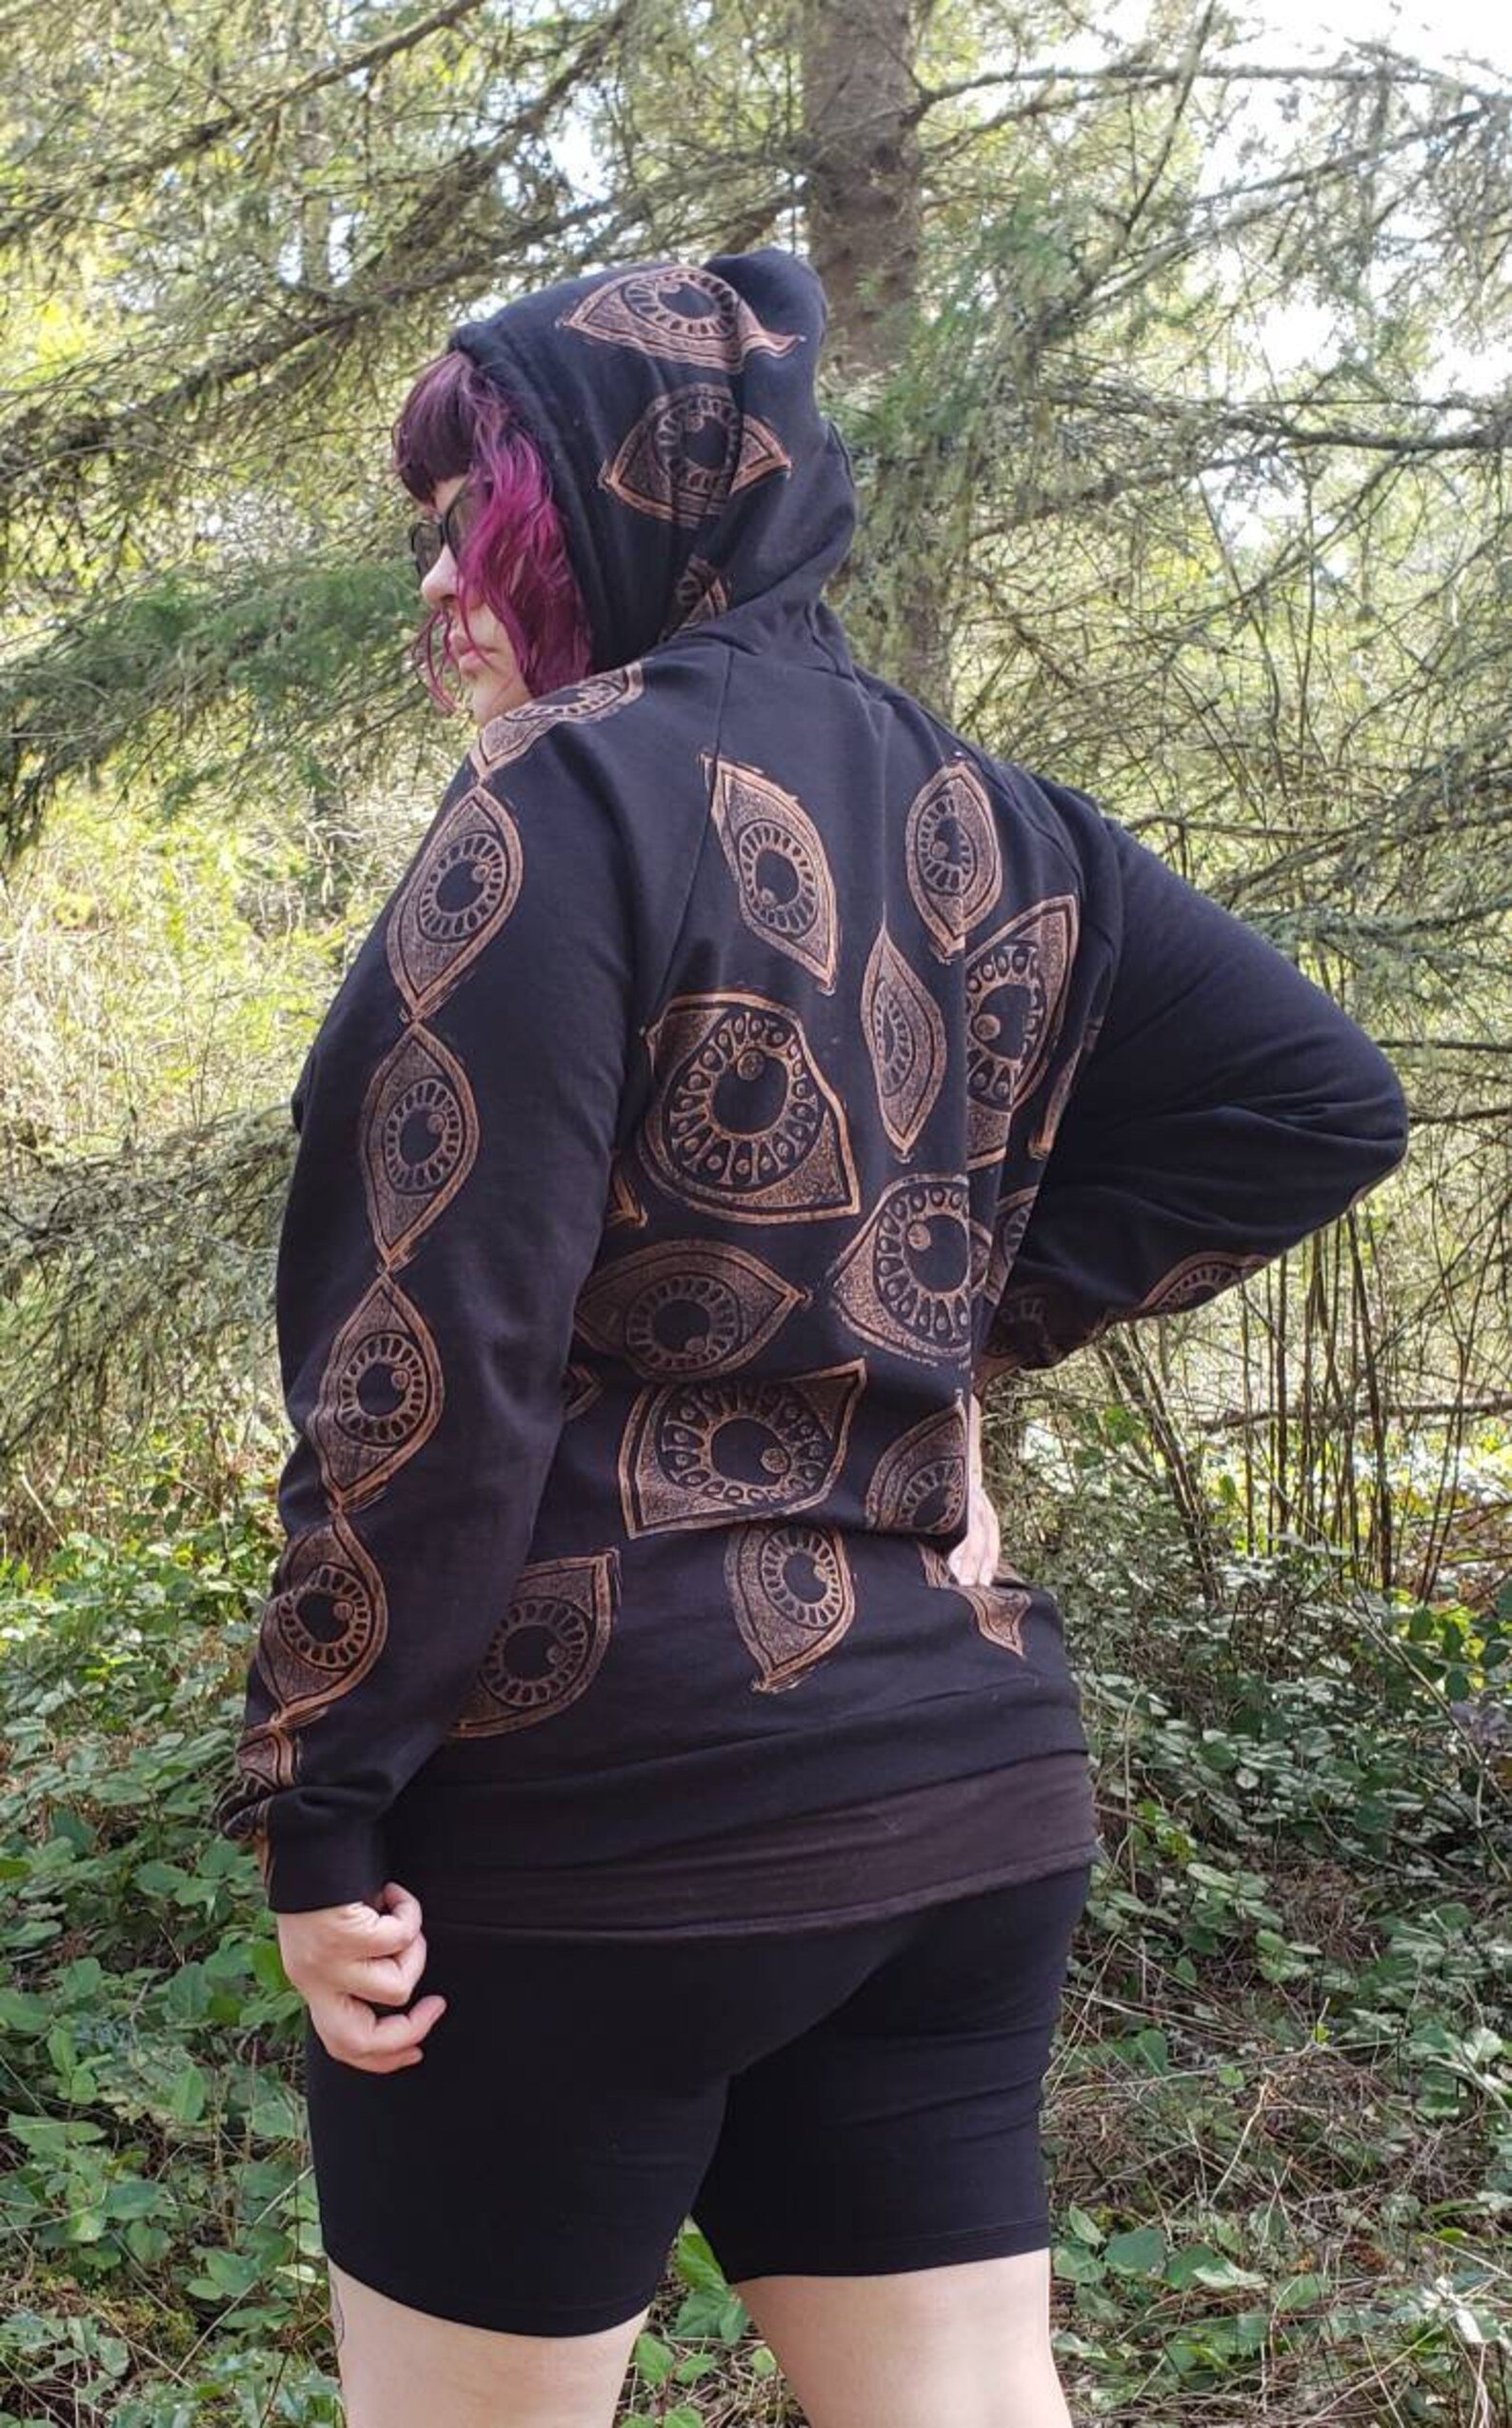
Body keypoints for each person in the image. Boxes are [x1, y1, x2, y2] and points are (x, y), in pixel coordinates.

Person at [210, 248, 1410, 2426]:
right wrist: (946, 1336)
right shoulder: (998, 818)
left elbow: (433, 1363)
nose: (440, 591)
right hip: (958, 1798)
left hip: (600, 1820)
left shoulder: (563, 793)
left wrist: (322, 1804)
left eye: (478, 527)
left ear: (617, 515)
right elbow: (1311, 1104)